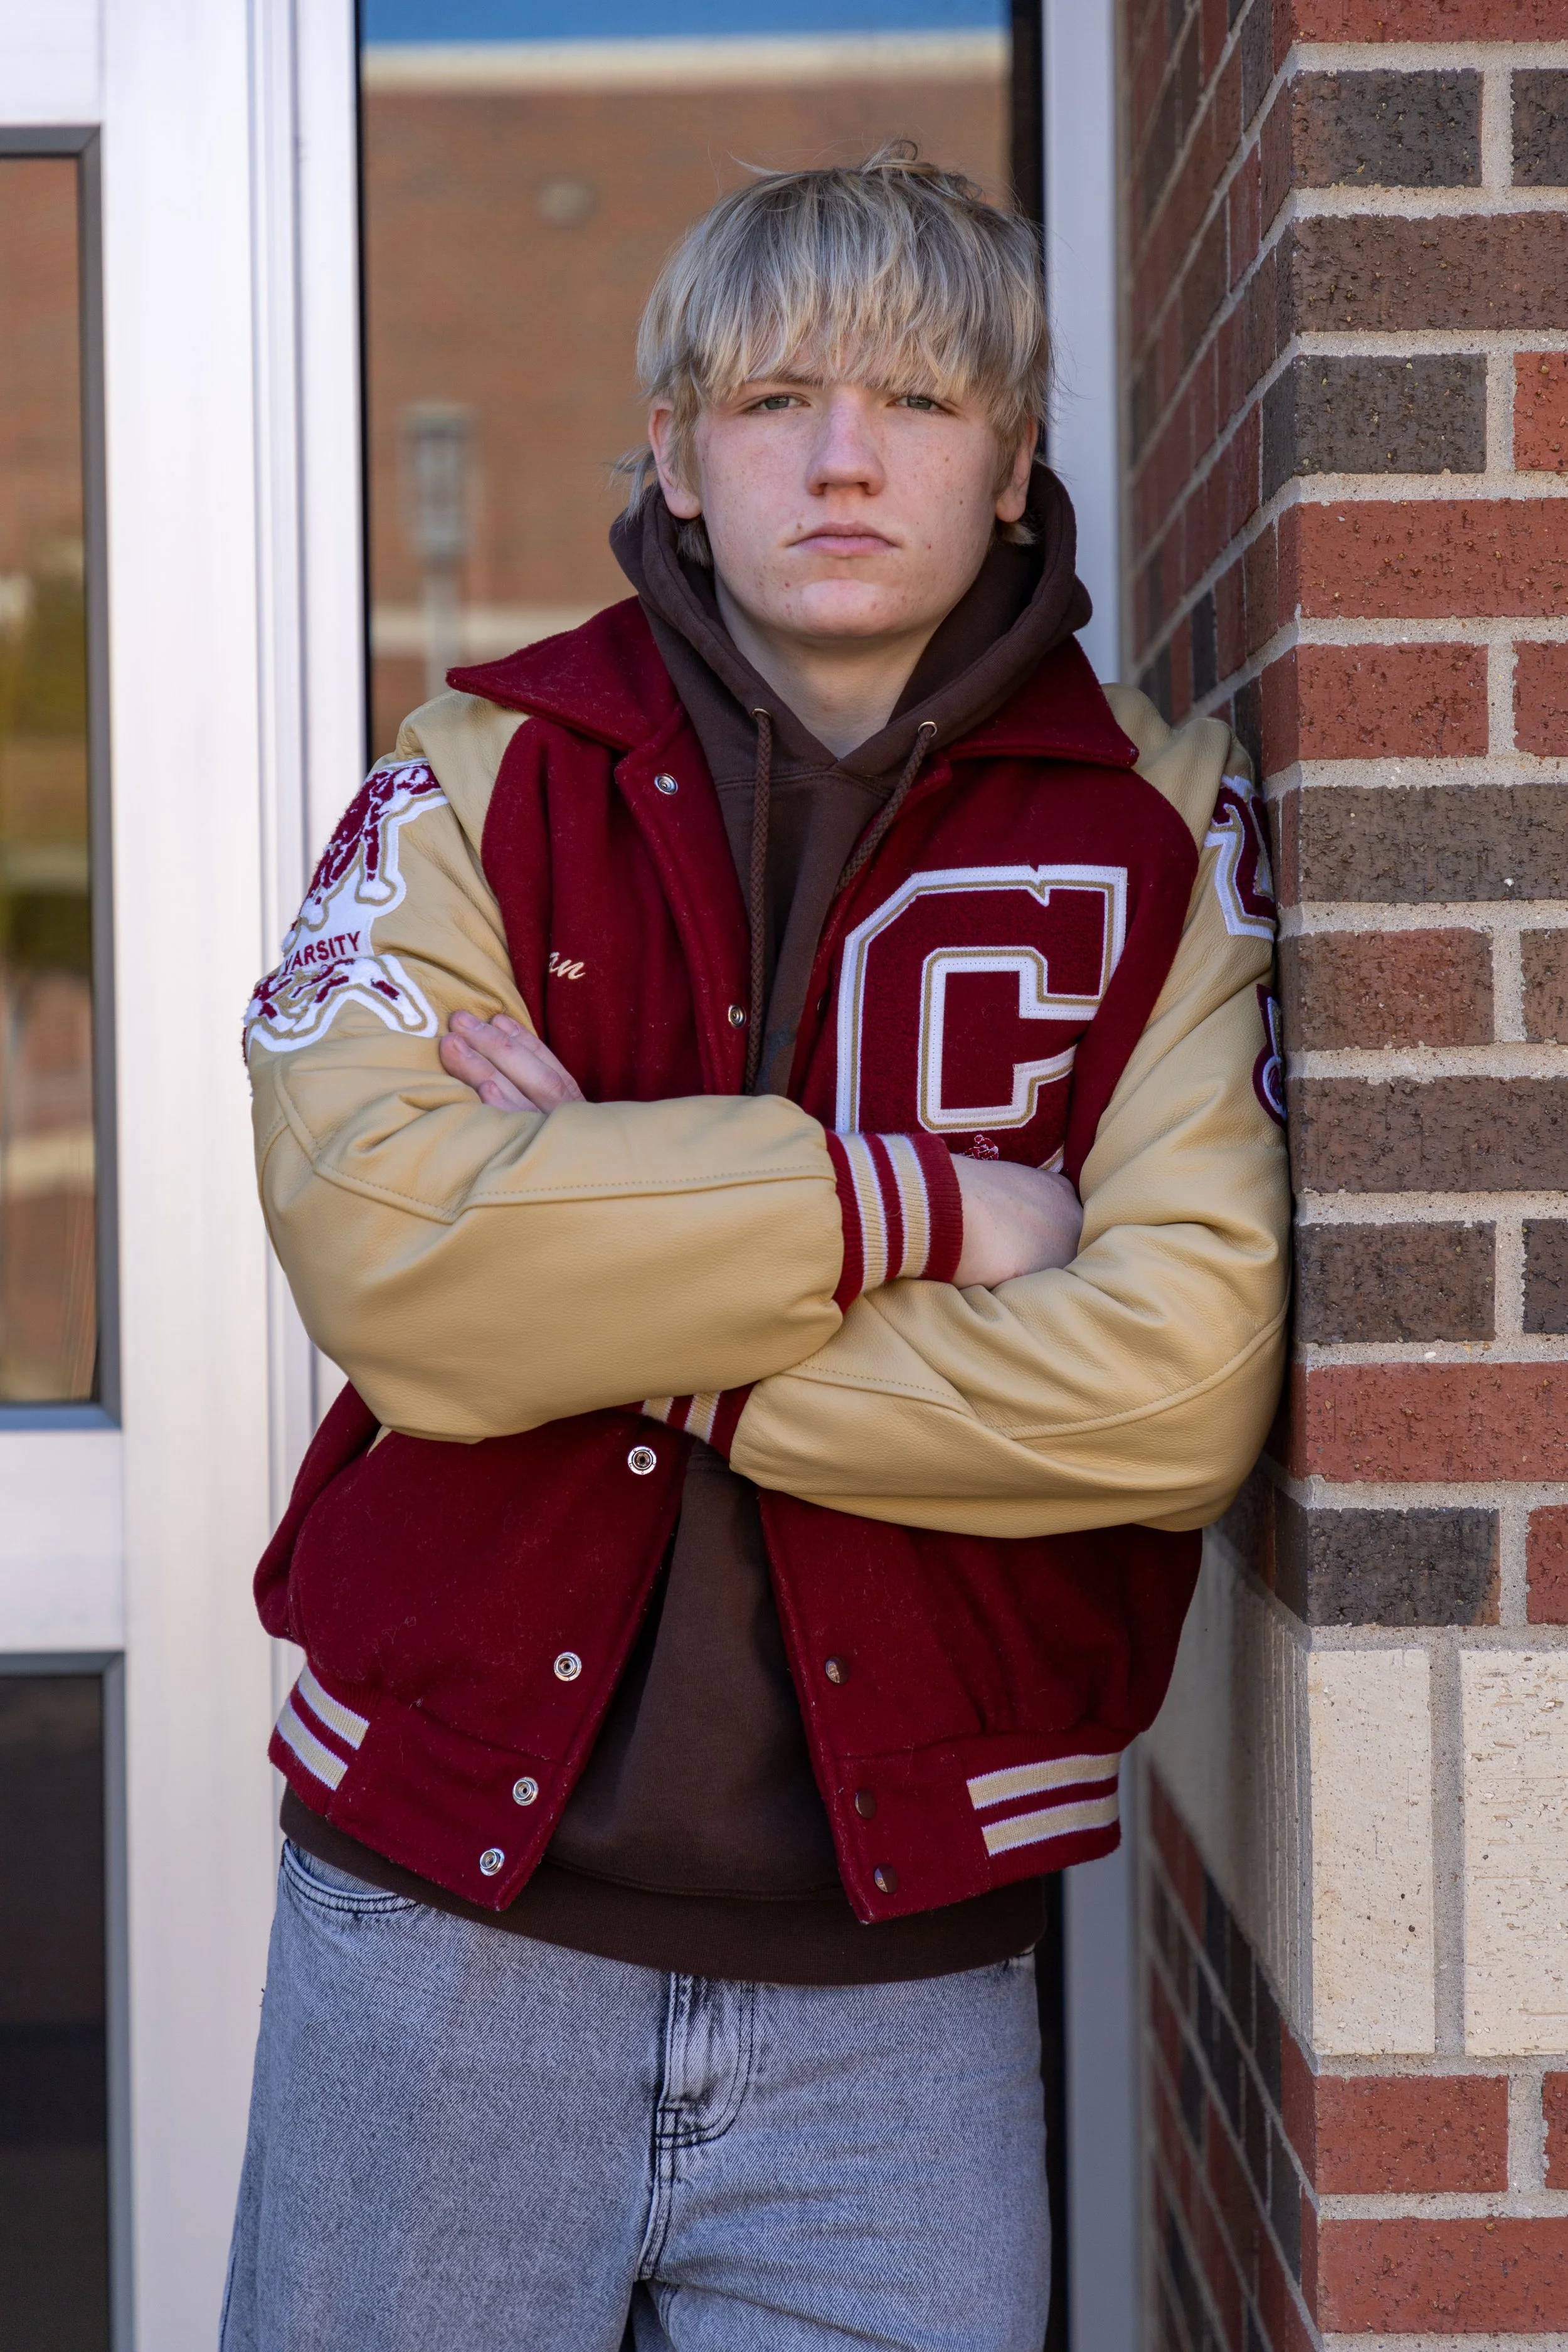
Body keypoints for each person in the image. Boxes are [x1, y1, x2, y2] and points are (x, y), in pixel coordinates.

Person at [223, 148, 1289, 2352]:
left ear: (1011, 463)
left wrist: (624, 1282)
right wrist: (925, 1215)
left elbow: (1175, 1383)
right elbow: (381, 1247)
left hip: (900, 2006)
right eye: (773, 396)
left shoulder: (1156, 823)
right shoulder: (477, 771)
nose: (836, 453)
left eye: (912, 400)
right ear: (676, 460)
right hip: (441, 1943)